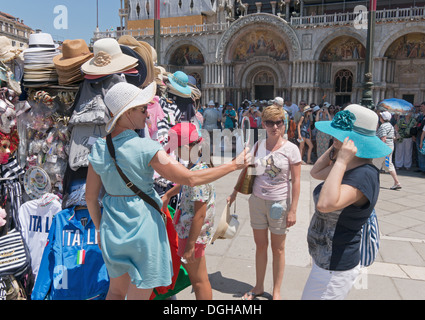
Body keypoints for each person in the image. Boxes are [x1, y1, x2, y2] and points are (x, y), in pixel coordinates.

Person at [85, 82, 250, 300]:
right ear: (127, 113)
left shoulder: (99, 146)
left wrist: (99, 228)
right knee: (139, 295)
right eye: (143, 109)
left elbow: (90, 197)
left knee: (115, 291)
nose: (148, 116)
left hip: (111, 226)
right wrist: (233, 165)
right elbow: (190, 178)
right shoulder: (146, 148)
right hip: (142, 227)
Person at [302, 104, 391, 300]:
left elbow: (325, 204)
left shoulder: (363, 175)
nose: (333, 136)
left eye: (338, 134)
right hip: (326, 260)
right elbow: (316, 172)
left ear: (353, 140)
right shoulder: (350, 166)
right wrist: (337, 148)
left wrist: (341, 160)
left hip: (336, 265)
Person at [227, 105, 301, 300]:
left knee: (278, 248)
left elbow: (297, 182)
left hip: (279, 204)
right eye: (270, 122)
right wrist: (234, 193)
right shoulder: (258, 146)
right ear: (263, 124)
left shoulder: (292, 149)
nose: (274, 127)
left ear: (284, 125)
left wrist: (293, 209)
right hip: (257, 202)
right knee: (260, 246)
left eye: (278, 122)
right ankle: (258, 286)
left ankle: (276, 291)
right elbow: (249, 171)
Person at [161, 123, 215, 300]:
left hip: (193, 235)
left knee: (199, 281)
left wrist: (190, 246)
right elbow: (184, 183)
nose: (174, 154)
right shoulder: (195, 167)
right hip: (190, 232)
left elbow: (200, 213)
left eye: (175, 150)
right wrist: (168, 194)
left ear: (185, 147)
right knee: (198, 279)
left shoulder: (198, 173)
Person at [376, 111, 401, 190]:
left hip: (384, 148)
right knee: (387, 164)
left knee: (376, 164)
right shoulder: (390, 125)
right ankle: (396, 182)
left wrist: (380, 148)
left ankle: (374, 182)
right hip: (389, 147)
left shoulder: (383, 126)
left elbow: (383, 138)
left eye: (380, 116)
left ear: (382, 118)